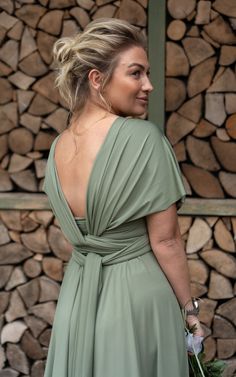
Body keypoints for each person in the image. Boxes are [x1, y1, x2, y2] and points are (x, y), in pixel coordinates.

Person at [43, 17, 204, 377]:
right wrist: (189, 311)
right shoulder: (143, 138)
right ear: (97, 79)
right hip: (136, 302)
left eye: (147, 73)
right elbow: (166, 241)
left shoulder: (58, 148)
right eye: (136, 73)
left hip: (77, 297)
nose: (149, 85)